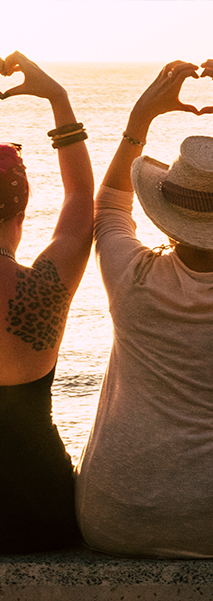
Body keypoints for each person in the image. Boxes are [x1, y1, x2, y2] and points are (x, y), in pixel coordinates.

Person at [75, 58, 213, 558]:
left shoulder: (131, 277)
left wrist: (142, 118)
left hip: (115, 516)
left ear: (164, 210)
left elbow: (109, 205)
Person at [0, 52, 93, 552]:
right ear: (23, 204)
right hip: (42, 508)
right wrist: (58, 98)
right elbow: (81, 198)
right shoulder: (44, 287)